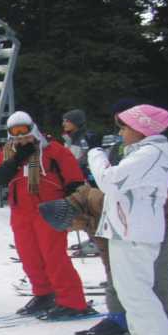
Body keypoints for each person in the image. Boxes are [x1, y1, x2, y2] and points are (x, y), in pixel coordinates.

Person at [87, 104, 168, 335]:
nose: (120, 132)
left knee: (138, 293)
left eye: (124, 127)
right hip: (125, 229)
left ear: (142, 129)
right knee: (129, 292)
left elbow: (109, 180)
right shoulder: (142, 153)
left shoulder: (152, 154)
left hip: (136, 232)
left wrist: (94, 153)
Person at [39, 183, 168, 335]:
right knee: (120, 270)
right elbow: (111, 259)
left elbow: (125, 233)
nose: (71, 230)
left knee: (158, 275)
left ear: (72, 215)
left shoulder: (101, 202)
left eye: (69, 226)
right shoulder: (87, 215)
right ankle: (119, 319)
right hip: (144, 225)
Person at [0, 111, 94, 319]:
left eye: (25, 133)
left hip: (49, 210)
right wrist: (17, 159)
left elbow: (74, 181)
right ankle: (45, 294)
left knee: (54, 258)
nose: (21, 139)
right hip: (21, 212)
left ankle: (72, 301)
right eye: (16, 135)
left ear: (33, 129)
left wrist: (73, 207)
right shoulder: (9, 152)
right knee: (29, 257)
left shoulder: (54, 150)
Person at [61, 109, 101, 257]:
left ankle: (95, 240)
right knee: (81, 209)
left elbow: (83, 159)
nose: (64, 123)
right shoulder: (70, 138)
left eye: (67, 120)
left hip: (85, 179)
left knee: (89, 209)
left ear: (76, 122)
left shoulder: (83, 138)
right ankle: (91, 237)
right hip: (75, 179)